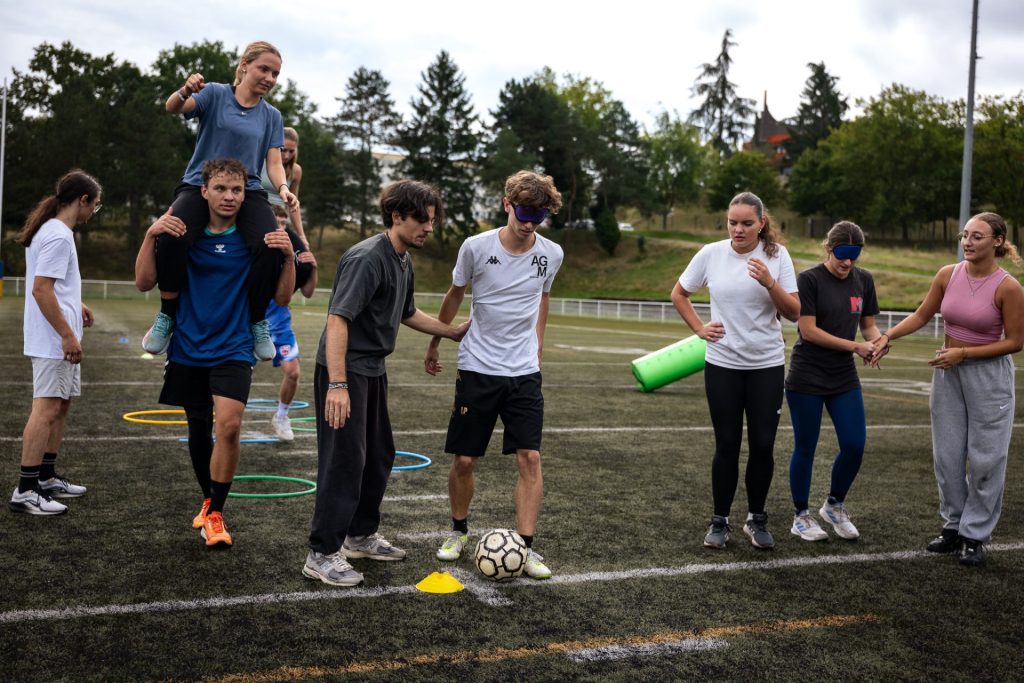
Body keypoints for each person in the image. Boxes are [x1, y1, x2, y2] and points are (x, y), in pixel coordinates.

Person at [303, 180, 469, 587]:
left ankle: (359, 535)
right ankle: (322, 553)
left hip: (373, 370)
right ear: (397, 217)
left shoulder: (402, 259)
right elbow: (337, 319)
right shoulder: (367, 258)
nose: (429, 228)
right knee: (344, 460)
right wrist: (338, 385)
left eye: (432, 221)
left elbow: (407, 312)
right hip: (346, 371)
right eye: (422, 221)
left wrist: (450, 332)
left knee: (378, 455)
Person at [135, 159, 295, 547]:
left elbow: (283, 296)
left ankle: (217, 514)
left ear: (246, 194)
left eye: (237, 190)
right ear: (203, 191)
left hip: (234, 346)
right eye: (221, 189)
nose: (229, 196)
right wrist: (150, 235)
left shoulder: (254, 239)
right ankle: (208, 502)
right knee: (198, 427)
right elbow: (143, 281)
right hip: (189, 344)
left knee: (229, 424)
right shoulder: (183, 236)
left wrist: (288, 256)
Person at [424, 171, 564, 579]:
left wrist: (537, 344)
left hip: (523, 372)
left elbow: (543, 297)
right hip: (478, 367)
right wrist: (436, 340)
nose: (529, 223)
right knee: (466, 459)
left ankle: (526, 547)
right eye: (523, 212)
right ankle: (458, 531)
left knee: (530, 458)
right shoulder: (476, 247)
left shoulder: (552, 254)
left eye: (538, 216)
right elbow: (455, 293)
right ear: (507, 204)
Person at [871, 212, 1023, 566]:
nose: (967, 243)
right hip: (947, 372)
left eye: (977, 237)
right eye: (964, 235)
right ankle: (954, 526)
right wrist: (886, 335)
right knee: (947, 456)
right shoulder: (947, 274)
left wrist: (965, 353)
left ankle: (974, 535)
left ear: (998, 241)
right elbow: (922, 315)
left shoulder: (1009, 287)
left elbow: (1016, 342)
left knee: (987, 458)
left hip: (988, 377)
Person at [143, 40, 297, 361]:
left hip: (249, 190)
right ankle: (167, 315)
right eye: (264, 69)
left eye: (276, 73)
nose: (270, 77)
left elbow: (273, 163)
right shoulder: (214, 93)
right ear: (244, 65)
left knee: (272, 245)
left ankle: (257, 320)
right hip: (200, 184)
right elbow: (173, 107)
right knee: (171, 233)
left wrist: (282, 189)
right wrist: (185, 91)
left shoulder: (272, 116)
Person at [671, 191, 800, 549]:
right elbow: (679, 293)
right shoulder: (711, 254)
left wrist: (769, 282)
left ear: (761, 223)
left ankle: (756, 520)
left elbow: (793, 312)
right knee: (726, 444)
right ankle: (720, 520)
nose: (738, 229)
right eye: (732, 222)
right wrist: (699, 328)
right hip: (723, 365)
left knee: (762, 445)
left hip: (766, 366)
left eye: (746, 223)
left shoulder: (777, 256)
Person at [785, 221, 884, 542]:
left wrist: (878, 342)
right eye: (842, 254)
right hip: (807, 374)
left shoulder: (863, 280)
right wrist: (856, 346)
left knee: (855, 445)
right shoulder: (810, 279)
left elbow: (868, 326)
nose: (848, 262)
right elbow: (808, 331)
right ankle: (801, 516)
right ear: (829, 249)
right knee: (806, 446)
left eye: (854, 256)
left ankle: (834, 506)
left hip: (843, 376)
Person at [10, 170, 101, 515]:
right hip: (53, 340)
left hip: (58, 336)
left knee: (60, 405)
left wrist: (77, 306)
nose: (94, 211)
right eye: (95, 205)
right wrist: (66, 334)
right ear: (82, 201)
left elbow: (50, 283)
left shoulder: (53, 230)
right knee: (46, 409)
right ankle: (26, 489)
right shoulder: (59, 235)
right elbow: (40, 288)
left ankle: (46, 478)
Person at [267, 204, 318, 441]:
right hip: (247, 318)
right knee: (234, 373)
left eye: (283, 222)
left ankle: (281, 415)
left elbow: (308, 292)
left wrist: (313, 267)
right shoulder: (253, 241)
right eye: (275, 221)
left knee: (293, 372)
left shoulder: (293, 247)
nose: (280, 226)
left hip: (278, 321)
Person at [260, 126, 307, 244]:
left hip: (281, 220)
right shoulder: (260, 162)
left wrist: (302, 236)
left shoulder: (295, 171)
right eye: (283, 150)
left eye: (291, 151)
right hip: (261, 213)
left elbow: (293, 206)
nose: (286, 156)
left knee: (303, 253)